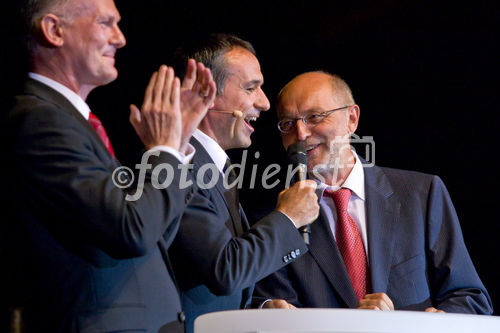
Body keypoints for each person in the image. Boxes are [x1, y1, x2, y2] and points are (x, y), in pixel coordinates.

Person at [3, 0, 216, 332]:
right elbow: (132, 231)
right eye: (106, 23)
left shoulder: (73, 121)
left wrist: (176, 143)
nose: (121, 38)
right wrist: (164, 151)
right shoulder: (40, 120)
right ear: (54, 30)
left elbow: (152, 234)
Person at [253, 71, 493, 314]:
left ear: (351, 119)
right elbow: (277, 307)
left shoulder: (422, 194)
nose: (301, 134)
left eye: (314, 117)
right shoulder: (275, 218)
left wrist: (428, 325)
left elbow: (470, 298)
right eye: (288, 124)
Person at [168, 33, 320, 333]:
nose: (264, 103)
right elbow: (224, 270)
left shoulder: (217, 168)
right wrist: (288, 216)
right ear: (204, 92)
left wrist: (258, 308)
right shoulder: (177, 164)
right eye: (251, 88)